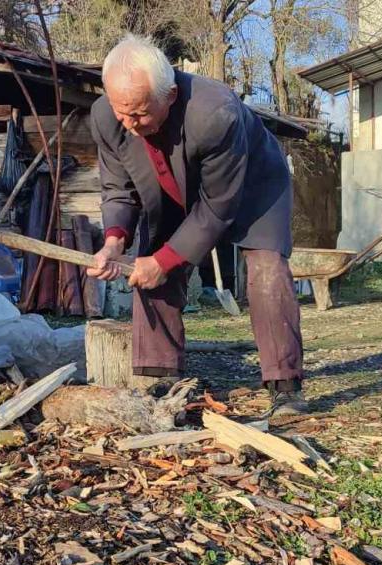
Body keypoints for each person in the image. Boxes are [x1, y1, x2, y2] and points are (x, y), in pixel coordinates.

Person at [86, 33, 306, 417]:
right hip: (170, 187)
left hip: (254, 186)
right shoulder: (108, 117)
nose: (129, 123)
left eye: (139, 113)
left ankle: (285, 384)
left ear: (169, 95)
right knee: (149, 263)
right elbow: (117, 189)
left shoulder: (215, 113)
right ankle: (163, 378)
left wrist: (168, 259)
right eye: (122, 111)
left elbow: (217, 207)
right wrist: (113, 241)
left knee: (267, 270)